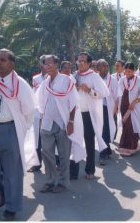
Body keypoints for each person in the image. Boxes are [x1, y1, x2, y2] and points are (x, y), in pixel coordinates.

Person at [0, 49, 38, 221]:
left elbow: (29, 111)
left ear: (11, 64)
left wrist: (20, 128)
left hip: (10, 129)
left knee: (12, 170)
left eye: (2, 60)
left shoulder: (20, 84)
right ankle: (5, 191)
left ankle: (12, 207)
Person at [36, 55, 85, 193]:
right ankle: (50, 181)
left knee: (64, 154)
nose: (48, 66)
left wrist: (70, 121)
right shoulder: (45, 82)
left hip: (63, 122)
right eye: (46, 64)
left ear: (57, 64)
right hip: (47, 122)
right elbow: (40, 102)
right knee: (46, 152)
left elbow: (74, 102)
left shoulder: (66, 80)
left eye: (51, 63)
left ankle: (64, 182)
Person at [73, 52, 109, 180]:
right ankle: (73, 170)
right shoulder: (75, 75)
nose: (80, 63)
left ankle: (90, 170)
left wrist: (89, 90)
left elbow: (103, 94)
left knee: (89, 142)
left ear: (89, 63)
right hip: (76, 114)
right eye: (79, 60)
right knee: (74, 140)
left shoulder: (94, 77)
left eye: (83, 61)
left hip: (88, 114)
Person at [117, 63, 140, 156]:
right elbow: (119, 94)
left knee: (133, 126)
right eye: (126, 71)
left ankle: (132, 146)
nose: (127, 73)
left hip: (135, 107)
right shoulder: (122, 80)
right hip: (124, 106)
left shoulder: (139, 80)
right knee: (126, 126)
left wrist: (134, 103)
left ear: (134, 71)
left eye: (129, 71)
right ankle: (124, 145)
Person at [96, 59, 117, 165]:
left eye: (107, 65)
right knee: (101, 131)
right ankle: (106, 150)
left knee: (106, 130)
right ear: (98, 67)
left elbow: (117, 95)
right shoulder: (95, 78)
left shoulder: (112, 80)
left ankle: (103, 154)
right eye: (103, 65)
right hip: (96, 108)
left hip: (108, 107)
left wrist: (116, 107)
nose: (106, 67)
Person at [29, 55, 47, 172]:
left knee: (51, 137)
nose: (45, 66)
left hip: (50, 112)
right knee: (37, 138)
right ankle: (37, 163)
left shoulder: (53, 77)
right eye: (43, 63)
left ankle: (57, 162)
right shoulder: (36, 78)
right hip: (38, 112)